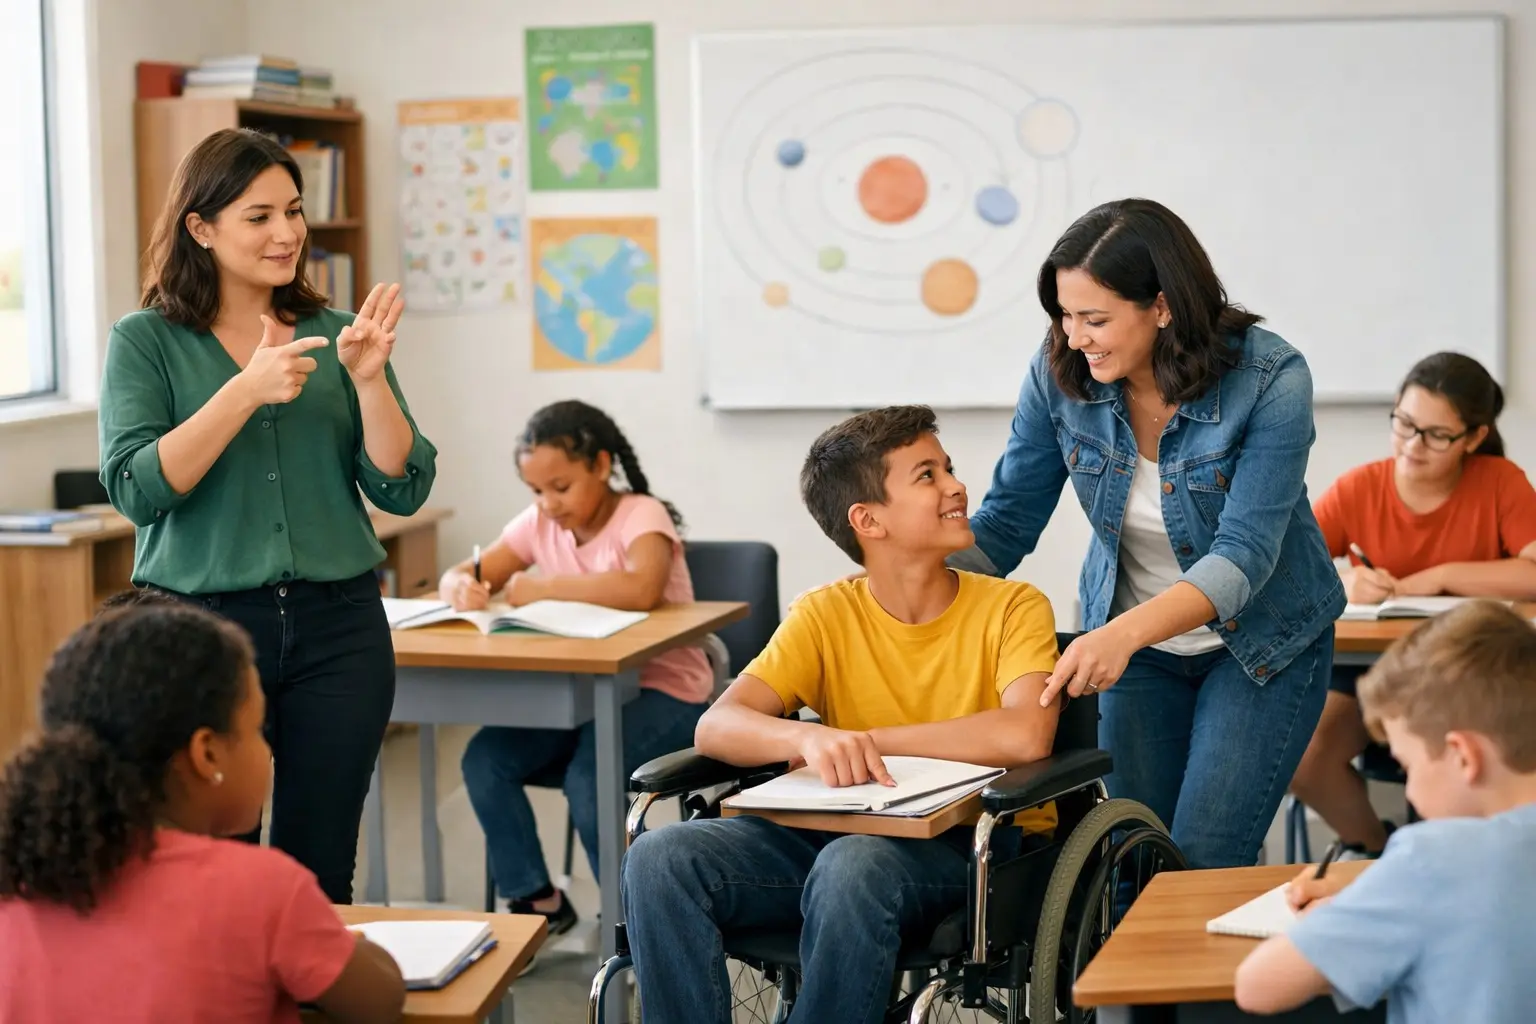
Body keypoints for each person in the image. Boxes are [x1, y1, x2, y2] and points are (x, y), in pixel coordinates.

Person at [621, 405, 1062, 1024]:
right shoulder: (824, 613)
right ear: (868, 520)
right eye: (927, 475)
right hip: (837, 837)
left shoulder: (1014, 607)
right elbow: (717, 726)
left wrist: (865, 740)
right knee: (660, 858)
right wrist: (808, 742)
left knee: (852, 864)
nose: (957, 487)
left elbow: (1026, 732)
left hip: (966, 848)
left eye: (949, 469)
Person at [945, 197, 1344, 869]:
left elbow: (1242, 557)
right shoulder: (1058, 375)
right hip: (1135, 653)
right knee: (1134, 863)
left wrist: (1120, 635)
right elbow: (1008, 523)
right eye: (1064, 317)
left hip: (1261, 647)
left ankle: (1234, 979)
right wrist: (897, 575)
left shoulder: (1269, 378)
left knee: (1203, 858)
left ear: (1161, 306)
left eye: (1094, 318)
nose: (1075, 338)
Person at [96, 127, 437, 903]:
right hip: (201, 633)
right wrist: (244, 390)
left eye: (294, 210)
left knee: (320, 872)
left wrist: (372, 382)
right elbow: (138, 490)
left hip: (340, 627)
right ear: (201, 228)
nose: (287, 234)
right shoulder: (144, 342)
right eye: (258, 217)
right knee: (216, 872)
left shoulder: (338, 332)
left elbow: (401, 488)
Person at [0, 597, 406, 1023]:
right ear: (206, 755)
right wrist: (336, 938)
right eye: (255, 731)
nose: (265, 747)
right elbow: (381, 1000)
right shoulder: (263, 890)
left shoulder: (21, 879)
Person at [442, 399, 709, 933]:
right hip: (580, 696)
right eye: (536, 491)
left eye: (560, 488)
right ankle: (538, 900)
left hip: (667, 692)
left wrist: (540, 588)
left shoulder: (641, 515)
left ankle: (637, 921)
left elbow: (641, 589)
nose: (548, 504)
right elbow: (472, 571)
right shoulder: (539, 521)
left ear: (601, 465)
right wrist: (459, 584)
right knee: (485, 761)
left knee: (589, 781)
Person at [1234, 601, 1536, 1022]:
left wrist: (1347, 918)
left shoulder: (1432, 861)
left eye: (1406, 766)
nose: (1408, 787)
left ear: (1463, 756)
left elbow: (1258, 986)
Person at [1288, 352, 1536, 857]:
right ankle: (1380, 853)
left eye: (1436, 435)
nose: (1413, 445)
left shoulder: (1499, 482)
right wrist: (1344, 580)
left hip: (1466, 669)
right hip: (1364, 670)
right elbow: (1287, 564)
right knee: (1304, 757)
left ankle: (1447, 863)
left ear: (1473, 438)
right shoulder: (1361, 486)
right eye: (1404, 424)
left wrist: (1440, 579)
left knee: (1448, 767)